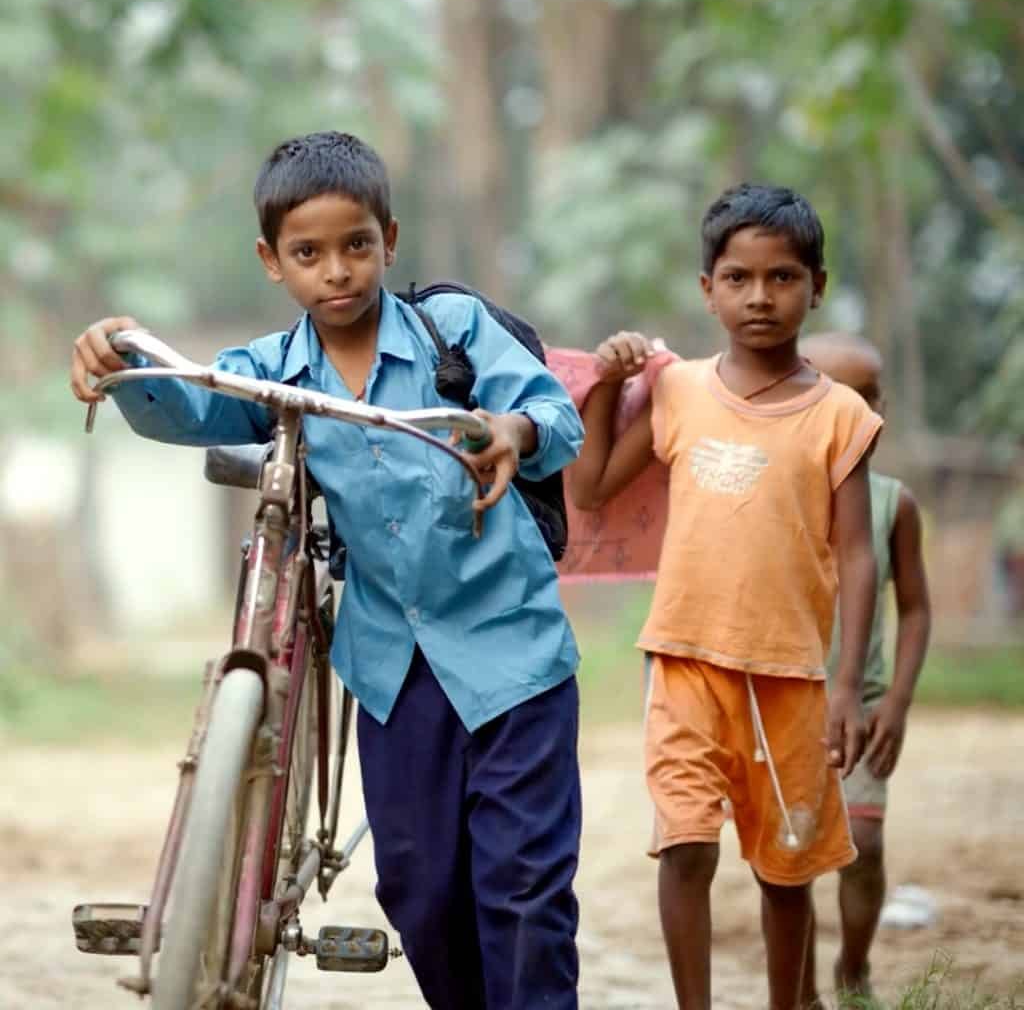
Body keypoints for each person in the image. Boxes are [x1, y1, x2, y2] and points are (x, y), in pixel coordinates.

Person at [70, 130, 585, 1009]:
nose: (337, 271)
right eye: (309, 253)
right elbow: (191, 403)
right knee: (419, 895)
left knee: (525, 890)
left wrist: (516, 430)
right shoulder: (274, 370)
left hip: (513, 653)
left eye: (356, 245)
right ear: (273, 262)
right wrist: (123, 363)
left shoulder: (452, 333)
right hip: (392, 670)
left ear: (389, 237)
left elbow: (553, 412)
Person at [567, 183, 882, 1010]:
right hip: (682, 661)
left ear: (817, 283)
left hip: (791, 677)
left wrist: (848, 683)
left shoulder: (841, 416)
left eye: (782, 277)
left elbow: (857, 552)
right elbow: (594, 485)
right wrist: (607, 383)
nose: (760, 296)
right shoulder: (677, 393)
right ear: (707, 289)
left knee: (786, 868)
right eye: (738, 278)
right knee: (686, 848)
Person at [800, 332, 932, 1003]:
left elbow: (913, 610)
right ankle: (795, 986)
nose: (859, 414)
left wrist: (898, 704)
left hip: (865, 707)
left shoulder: (892, 503)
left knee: (865, 848)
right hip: (786, 701)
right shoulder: (777, 496)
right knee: (789, 862)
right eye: (839, 399)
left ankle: (852, 965)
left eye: (870, 398)